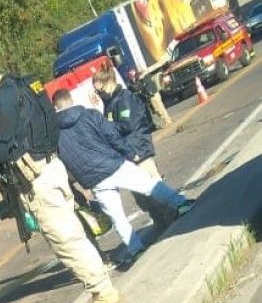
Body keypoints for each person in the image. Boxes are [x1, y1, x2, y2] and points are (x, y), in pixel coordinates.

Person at [0, 62, 121, 303]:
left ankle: (103, 293)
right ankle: (101, 284)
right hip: (52, 166)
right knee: (73, 232)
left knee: (65, 240)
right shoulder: (26, 84)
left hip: (38, 180)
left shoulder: (3, 100)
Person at [52, 88, 194, 263]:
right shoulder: (90, 115)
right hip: (114, 164)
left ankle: (135, 248)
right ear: (70, 100)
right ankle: (181, 204)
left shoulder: (55, 135)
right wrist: (129, 153)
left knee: (117, 216)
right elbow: (112, 135)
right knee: (149, 186)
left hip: (94, 179)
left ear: (55, 107)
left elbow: (65, 161)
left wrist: (82, 180)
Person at [93, 63, 175, 232]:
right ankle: (158, 218)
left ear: (109, 83)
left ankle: (171, 211)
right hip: (126, 154)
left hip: (138, 150)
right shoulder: (109, 103)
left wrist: (106, 126)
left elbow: (126, 125)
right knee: (140, 194)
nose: (98, 94)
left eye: (98, 90)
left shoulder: (124, 99)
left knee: (152, 185)